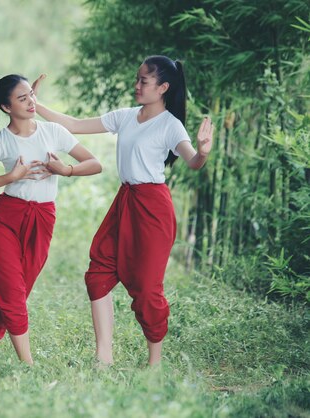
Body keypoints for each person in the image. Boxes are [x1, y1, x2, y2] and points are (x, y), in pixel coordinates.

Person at [31, 55, 214, 366]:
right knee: (98, 272)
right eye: (137, 79)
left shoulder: (171, 125)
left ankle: (154, 364)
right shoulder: (126, 116)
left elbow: (193, 162)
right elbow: (75, 124)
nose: (137, 85)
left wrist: (203, 151)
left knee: (146, 287)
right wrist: (36, 104)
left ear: (163, 87)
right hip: (125, 201)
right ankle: (104, 357)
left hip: (153, 208)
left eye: (144, 81)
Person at [0, 74, 102, 367]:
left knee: (14, 293)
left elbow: (95, 163)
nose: (31, 102)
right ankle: (28, 365)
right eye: (22, 98)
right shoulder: (0, 142)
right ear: (7, 108)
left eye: (31, 95)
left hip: (42, 219)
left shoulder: (54, 132)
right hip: (5, 219)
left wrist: (65, 170)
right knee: (12, 294)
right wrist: (11, 176)